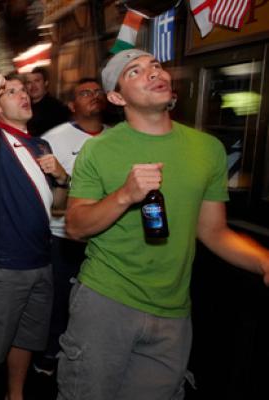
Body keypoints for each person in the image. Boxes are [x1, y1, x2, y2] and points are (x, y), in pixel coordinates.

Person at [59, 49, 269, 400]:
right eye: (135, 72)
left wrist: (263, 260)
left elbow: (213, 231)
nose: (153, 73)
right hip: (106, 302)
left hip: (173, 310)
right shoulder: (99, 150)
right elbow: (76, 226)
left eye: (156, 66)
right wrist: (125, 195)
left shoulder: (208, 149)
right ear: (116, 96)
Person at [0, 73, 69, 400]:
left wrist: (62, 177)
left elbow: (58, 207)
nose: (22, 95)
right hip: (4, 262)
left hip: (41, 260)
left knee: (27, 337)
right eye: (10, 92)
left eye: (23, 90)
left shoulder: (42, 145)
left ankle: (16, 394)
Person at [34, 77, 107, 375]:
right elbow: (48, 195)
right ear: (72, 105)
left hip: (103, 238)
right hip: (61, 236)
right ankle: (50, 353)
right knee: (60, 301)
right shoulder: (54, 138)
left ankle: (89, 358)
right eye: (84, 93)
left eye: (97, 91)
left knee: (95, 303)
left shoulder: (117, 138)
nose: (93, 96)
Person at [26, 66, 70, 136]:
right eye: (29, 82)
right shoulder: (24, 107)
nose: (33, 86)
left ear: (46, 83)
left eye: (37, 81)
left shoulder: (58, 108)